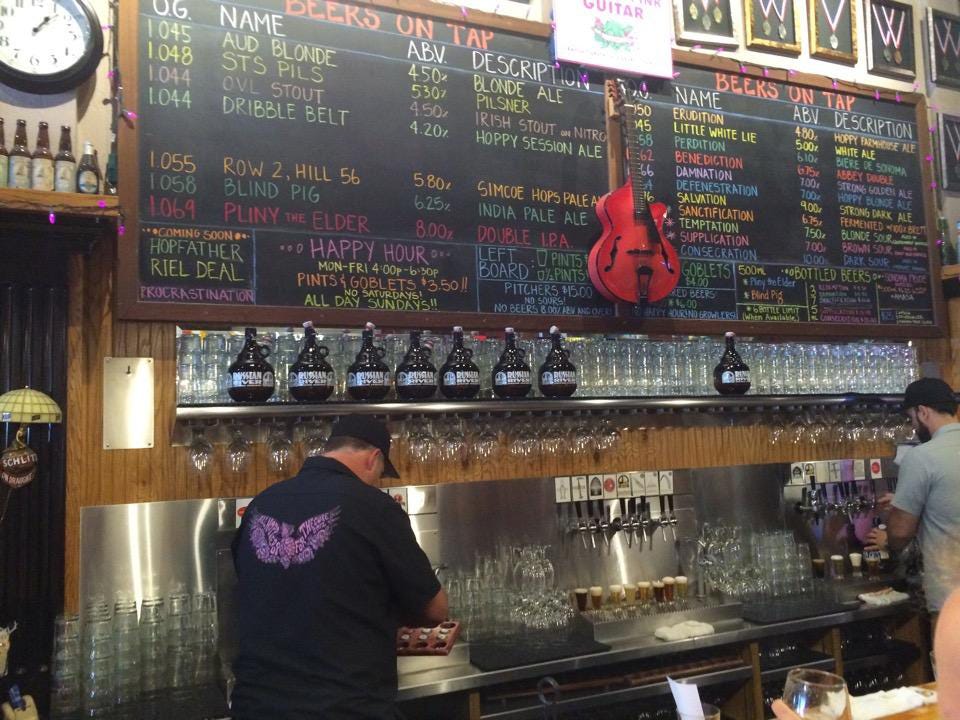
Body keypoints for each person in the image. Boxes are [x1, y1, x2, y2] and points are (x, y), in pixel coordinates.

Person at [231, 416, 448, 720]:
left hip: (256, 704)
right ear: (374, 458)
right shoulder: (375, 507)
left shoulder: (260, 504)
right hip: (343, 705)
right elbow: (435, 610)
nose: (378, 483)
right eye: (381, 474)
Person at [866, 378, 960, 623]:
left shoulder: (922, 457)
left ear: (923, 412)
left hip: (952, 598)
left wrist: (889, 538)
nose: (913, 425)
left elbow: (900, 532)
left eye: (911, 418)